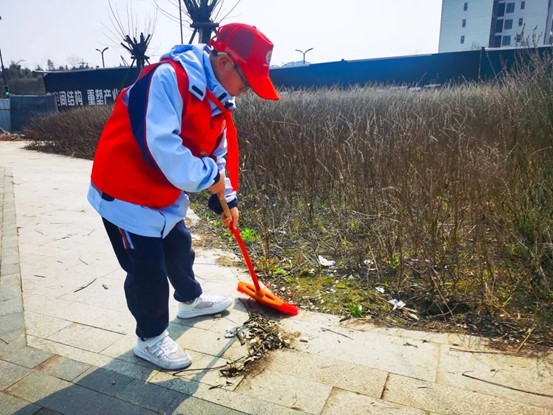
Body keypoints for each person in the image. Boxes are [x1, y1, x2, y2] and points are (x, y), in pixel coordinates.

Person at [87, 23, 279, 370]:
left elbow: (218, 152)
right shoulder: (168, 78)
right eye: (247, 79)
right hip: (124, 191)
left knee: (178, 248)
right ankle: (150, 338)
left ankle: (190, 300)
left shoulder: (220, 98)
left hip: (162, 191)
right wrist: (209, 177)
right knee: (146, 269)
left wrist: (227, 198)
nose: (248, 89)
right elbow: (163, 149)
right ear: (225, 62)